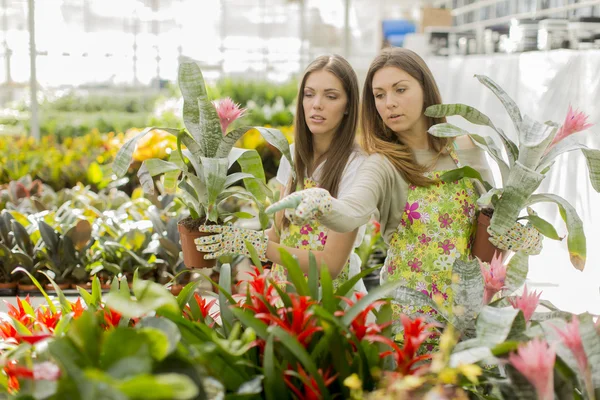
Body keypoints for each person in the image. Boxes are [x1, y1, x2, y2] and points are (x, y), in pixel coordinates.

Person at [267, 47, 495, 324]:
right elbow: (351, 211)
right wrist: (323, 202)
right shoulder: (382, 163)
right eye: (379, 95)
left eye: (400, 90)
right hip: (407, 320)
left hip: (468, 311)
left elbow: (495, 220)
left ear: (425, 88)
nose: (389, 103)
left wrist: (515, 235)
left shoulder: (467, 148)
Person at [196, 54, 367, 292]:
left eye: (331, 96)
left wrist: (249, 242)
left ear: (348, 105)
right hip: (286, 292)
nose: (317, 104)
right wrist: (230, 237)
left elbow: (332, 264)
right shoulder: (294, 155)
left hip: (332, 298)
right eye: (309, 94)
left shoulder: (357, 166)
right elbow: (278, 235)